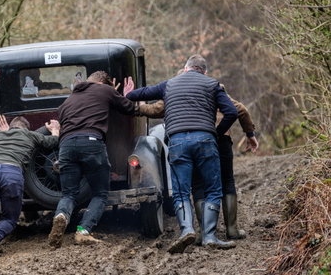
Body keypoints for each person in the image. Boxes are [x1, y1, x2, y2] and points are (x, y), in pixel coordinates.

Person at [125, 54, 238, 253]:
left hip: (177, 142)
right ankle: (210, 236)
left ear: (185, 68)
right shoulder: (212, 84)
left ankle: (186, 230)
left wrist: (129, 93)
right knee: (213, 189)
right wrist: (217, 134)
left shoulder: (168, 84)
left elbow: (143, 94)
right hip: (205, 140)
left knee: (181, 191)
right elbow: (231, 112)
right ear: (204, 71)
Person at [136, 84, 259, 241]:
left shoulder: (174, 90)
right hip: (220, 139)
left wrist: (140, 105)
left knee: (198, 184)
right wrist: (250, 134)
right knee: (227, 180)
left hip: (195, 138)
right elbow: (240, 109)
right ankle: (232, 229)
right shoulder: (212, 87)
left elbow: (155, 110)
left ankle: (203, 232)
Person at [48, 71, 135, 248]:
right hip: (91, 143)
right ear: (103, 83)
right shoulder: (103, 90)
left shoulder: (68, 101)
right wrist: (124, 95)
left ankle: (62, 216)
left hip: (66, 146)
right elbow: (129, 108)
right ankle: (83, 230)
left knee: (69, 194)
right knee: (100, 193)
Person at [0, 115, 60, 263]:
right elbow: (52, 142)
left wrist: (6, 131)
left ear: (10, 127)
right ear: (26, 129)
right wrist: (54, 130)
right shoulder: (31, 136)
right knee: (9, 218)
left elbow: (12, 135)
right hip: (11, 174)